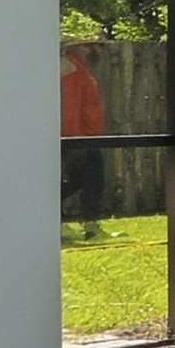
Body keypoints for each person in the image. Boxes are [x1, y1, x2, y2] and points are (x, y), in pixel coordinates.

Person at [60, 43, 108, 231]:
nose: (93, 50)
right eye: (87, 46)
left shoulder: (79, 68)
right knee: (92, 180)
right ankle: (90, 225)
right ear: (75, 47)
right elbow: (69, 109)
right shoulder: (71, 69)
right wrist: (75, 140)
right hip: (81, 137)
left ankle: (87, 225)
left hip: (86, 135)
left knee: (79, 180)